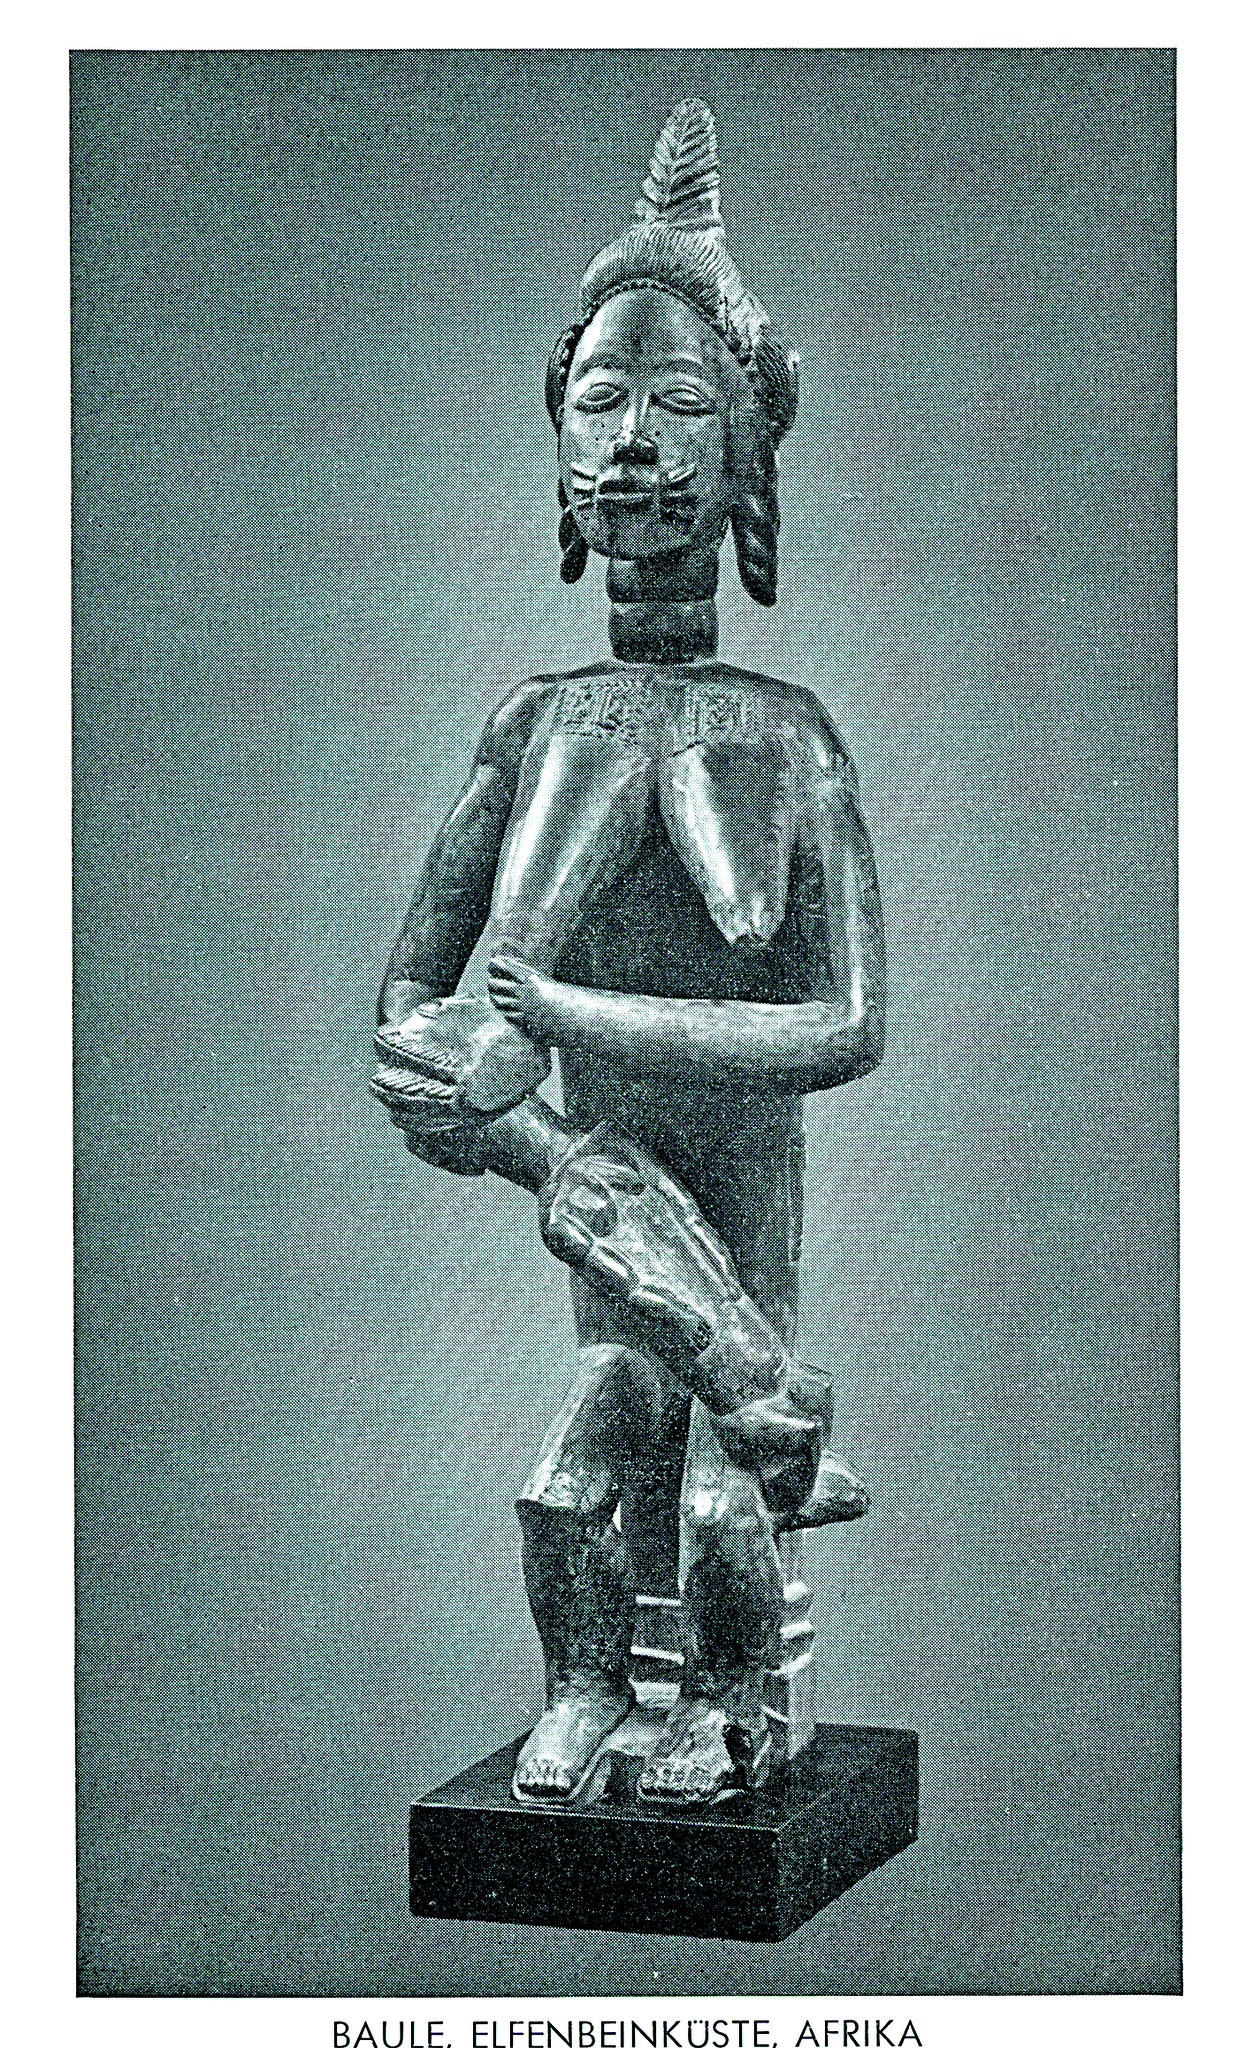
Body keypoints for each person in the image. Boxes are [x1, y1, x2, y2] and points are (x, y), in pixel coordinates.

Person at [373, 102, 884, 1806]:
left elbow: (848, 1023)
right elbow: (408, 1003)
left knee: (728, 1516)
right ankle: (597, 1673)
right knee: (566, 1493)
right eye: (599, 401)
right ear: (556, 452)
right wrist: (521, 1124)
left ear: (747, 465)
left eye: (681, 406)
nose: (635, 446)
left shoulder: (785, 733)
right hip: (591, 1198)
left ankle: (732, 1702)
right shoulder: (536, 722)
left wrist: (570, 1011)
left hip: (741, 1219)